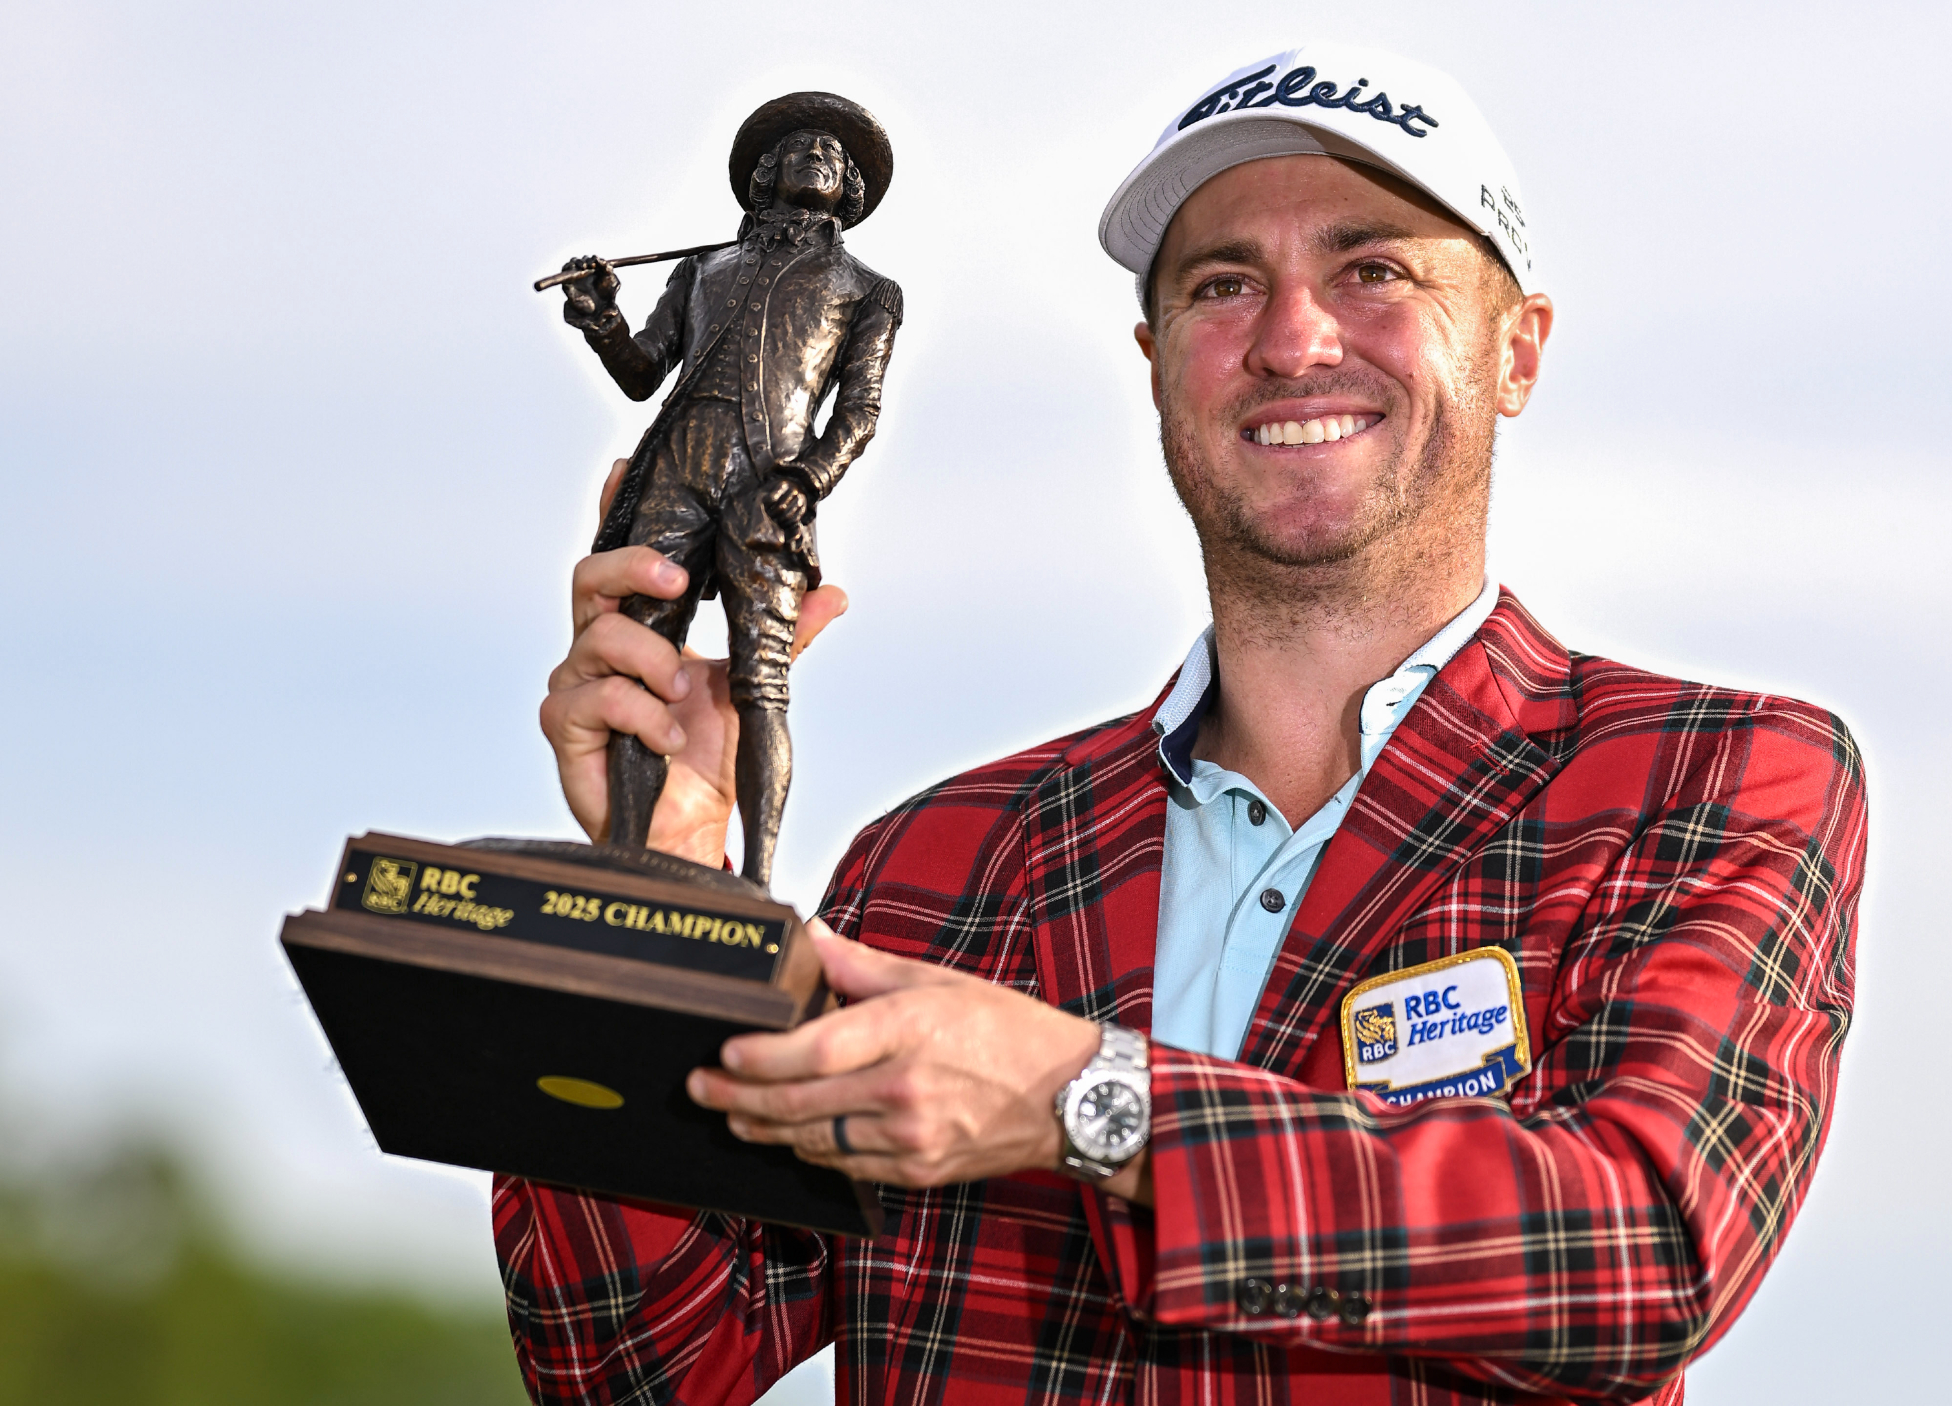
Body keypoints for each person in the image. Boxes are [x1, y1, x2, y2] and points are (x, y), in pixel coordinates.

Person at [503, 43, 1867, 1406]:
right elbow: (636, 1358)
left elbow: (1642, 1249)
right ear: (1158, 363)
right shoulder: (932, 868)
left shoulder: (1710, 775)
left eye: (1372, 269)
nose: (1291, 340)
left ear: (1518, 349)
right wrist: (662, 889)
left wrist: (1087, 1101)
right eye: (1224, 285)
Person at [554, 91, 903, 887]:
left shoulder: (869, 288)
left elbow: (861, 409)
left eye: (834, 154)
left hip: (769, 485)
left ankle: (756, 884)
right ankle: (629, 862)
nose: (819, 155)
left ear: (847, 188)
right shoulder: (702, 266)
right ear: (764, 175)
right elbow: (644, 373)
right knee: (639, 666)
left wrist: (812, 476)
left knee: (763, 683)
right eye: (800, 147)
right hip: (676, 466)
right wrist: (602, 320)